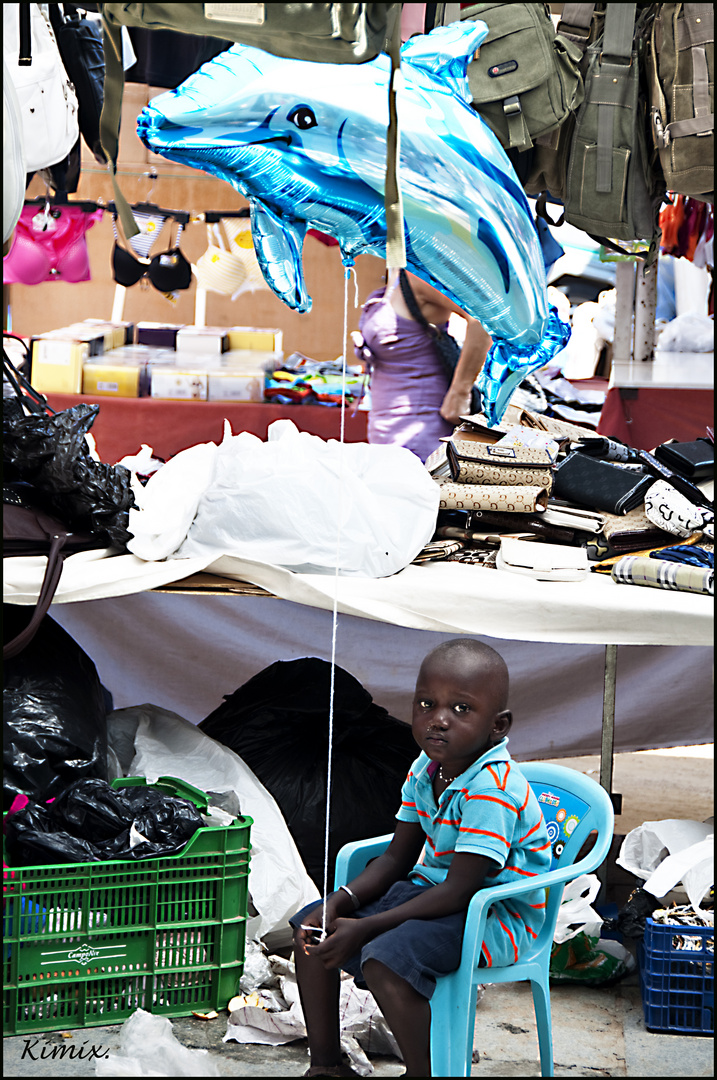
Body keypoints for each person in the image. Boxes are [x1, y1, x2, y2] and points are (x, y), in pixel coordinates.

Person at [290, 638, 551, 1078]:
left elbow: (462, 890)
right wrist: (341, 902)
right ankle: (327, 1066)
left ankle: (422, 1074)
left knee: (385, 958)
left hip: (495, 914)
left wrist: (368, 926)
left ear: (498, 725)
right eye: (426, 704)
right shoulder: (425, 768)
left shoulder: (490, 788)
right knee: (311, 928)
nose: (439, 720)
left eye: (462, 709)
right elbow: (395, 859)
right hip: (433, 896)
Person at [352, 269, 493, 463]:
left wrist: (460, 391)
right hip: (384, 426)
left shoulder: (417, 278)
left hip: (421, 428)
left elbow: (483, 319)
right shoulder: (394, 275)